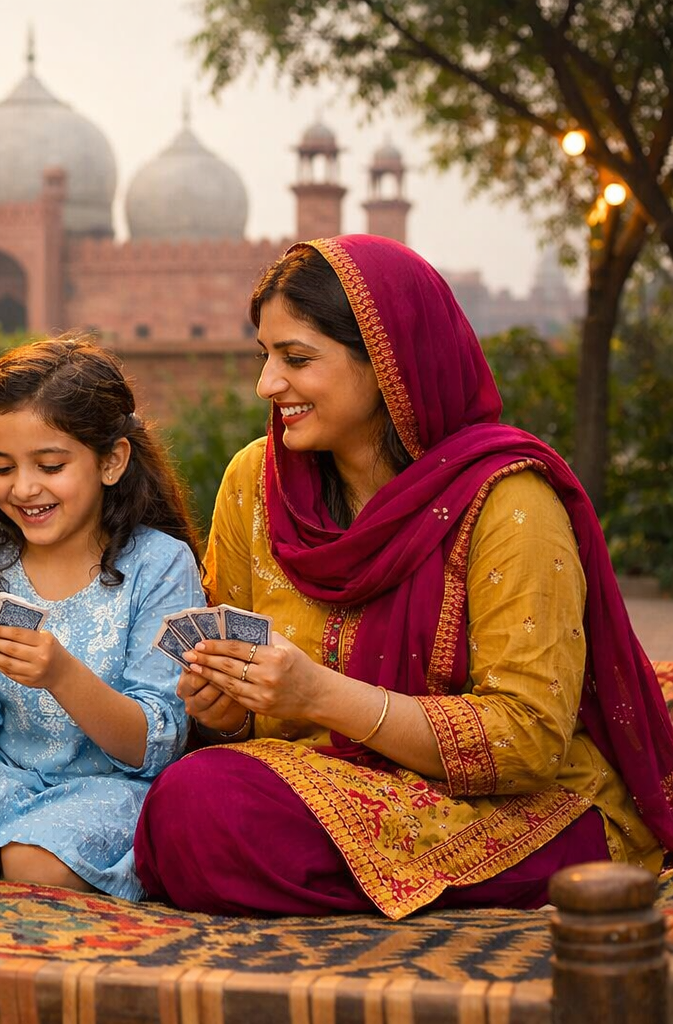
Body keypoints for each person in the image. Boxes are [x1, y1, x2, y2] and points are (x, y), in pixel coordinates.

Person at [134, 234, 673, 919]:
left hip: (494, 805)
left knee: (203, 815)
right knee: (190, 805)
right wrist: (227, 708)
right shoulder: (256, 484)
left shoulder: (506, 502)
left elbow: (528, 738)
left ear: (388, 362)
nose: (267, 384)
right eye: (264, 356)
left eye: (296, 358)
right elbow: (246, 708)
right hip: (319, 783)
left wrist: (322, 695)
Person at [0, 338, 203, 899]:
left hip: (109, 786)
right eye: (3, 467)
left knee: (39, 864)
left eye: (50, 466)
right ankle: (9, 849)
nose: (24, 488)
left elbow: (151, 744)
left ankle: (19, 854)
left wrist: (62, 674)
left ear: (111, 461)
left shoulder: (159, 563)